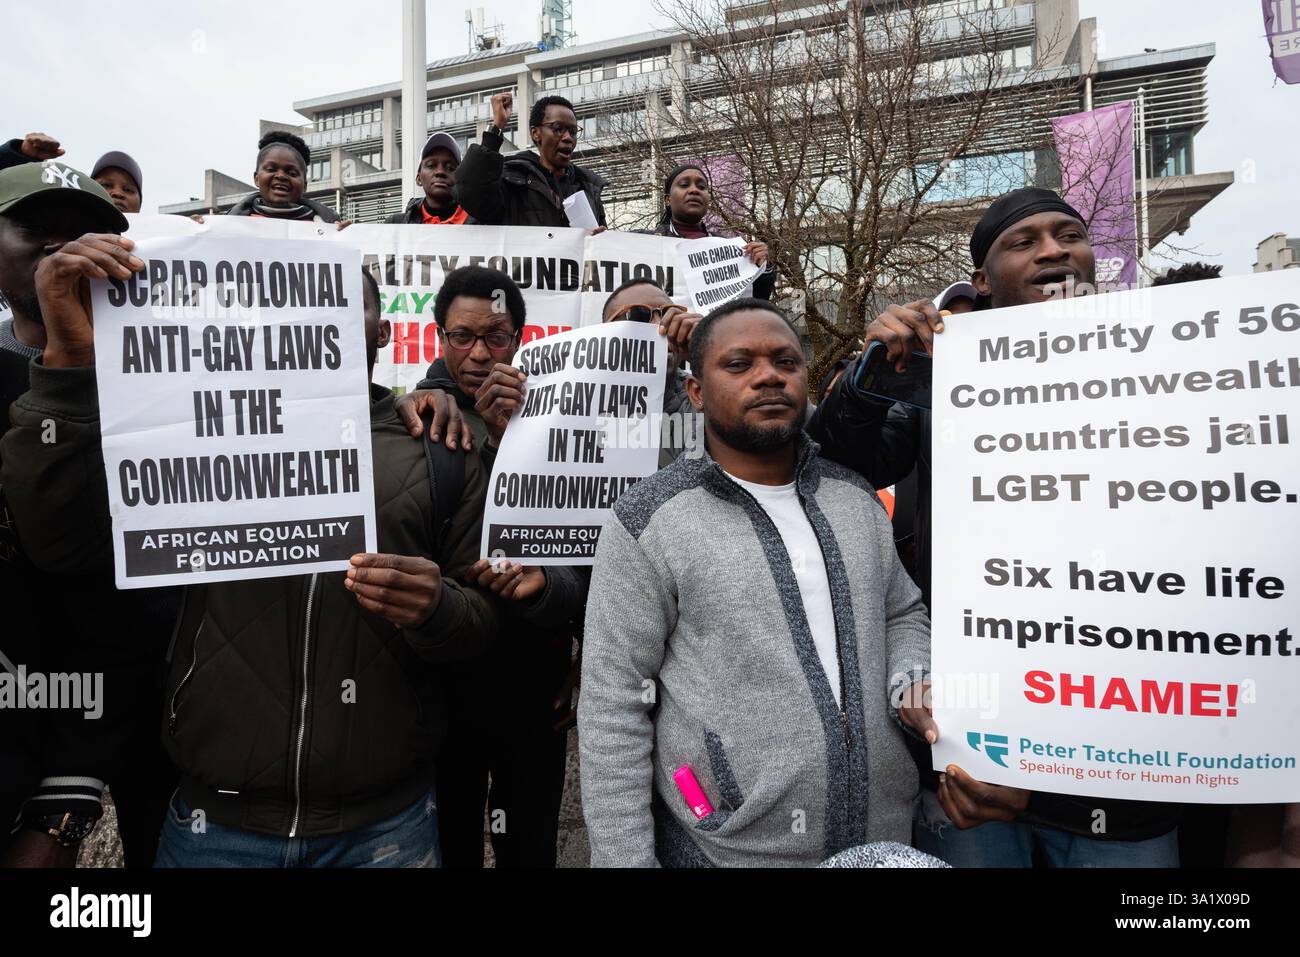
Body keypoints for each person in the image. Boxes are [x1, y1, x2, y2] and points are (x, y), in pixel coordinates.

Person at [3, 245, 502, 866]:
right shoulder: (185, 438)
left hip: (385, 828)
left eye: (341, 311)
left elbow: (483, 622)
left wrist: (436, 609)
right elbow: (61, 545)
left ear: (380, 331)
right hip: (216, 825)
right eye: (298, 312)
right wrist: (70, 364)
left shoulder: (438, 450)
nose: (318, 327)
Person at [810, 186, 1182, 867]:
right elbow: (839, 459)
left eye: (1069, 235)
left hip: (1124, 759)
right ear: (981, 279)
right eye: (1025, 240)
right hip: (976, 752)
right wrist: (869, 378)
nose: (1053, 250)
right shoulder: (941, 378)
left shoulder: (1162, 365)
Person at [578, 297, 934, 867]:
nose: (768, 375)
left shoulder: (857, 498)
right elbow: (612, 704)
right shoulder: (649, 521)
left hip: (881, 838)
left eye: (785, 362)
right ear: (695, 392)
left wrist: (910, 682)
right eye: (738, 364)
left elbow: (901, 613)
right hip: (725, 848)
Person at [0, 160, 177, 867]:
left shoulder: (171, 372)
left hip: (161, 705)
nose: (68, 252)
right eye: (40, 236)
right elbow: (54, 552)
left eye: (88, 234)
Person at [405, 266, 586, 868]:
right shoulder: (412, 421)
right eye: (463, 337)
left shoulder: (564, 419)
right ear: (439, 337)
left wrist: (576, 649)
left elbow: (592, 556)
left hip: (533, 682)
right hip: (439, 689)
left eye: (497, 337)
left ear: (520, 338)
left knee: (529, 848)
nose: (480, 353)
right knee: (446, 848)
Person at [454, 92, 607, 228]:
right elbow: (471, 193)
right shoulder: (510, 181)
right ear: (536, 133)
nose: (568, 138)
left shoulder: (588, 189)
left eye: (573, 132)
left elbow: (599, 251)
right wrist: (496, 129)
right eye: (558, 129)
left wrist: (601, 241)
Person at [649, 162, 775, 300]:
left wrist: (763, 268)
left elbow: (754, 303)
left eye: (701, 187)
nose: (694, 190)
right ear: (667, 199)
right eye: (684, 185)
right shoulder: (644, 244)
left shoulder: (733, 251)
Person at [227, 131, 340, 223]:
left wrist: (346, 235)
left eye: (292, 173)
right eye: (271, 169)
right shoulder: (226, 225)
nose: (281, 176)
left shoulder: (329, 226)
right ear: (256, 178)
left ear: (305, 185)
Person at [386, 132, 473, 225]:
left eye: (450, 168)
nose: (440, 171)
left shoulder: (481, 222)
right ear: (418, 178)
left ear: (460, 179)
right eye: (431, 165)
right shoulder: (395, 224)